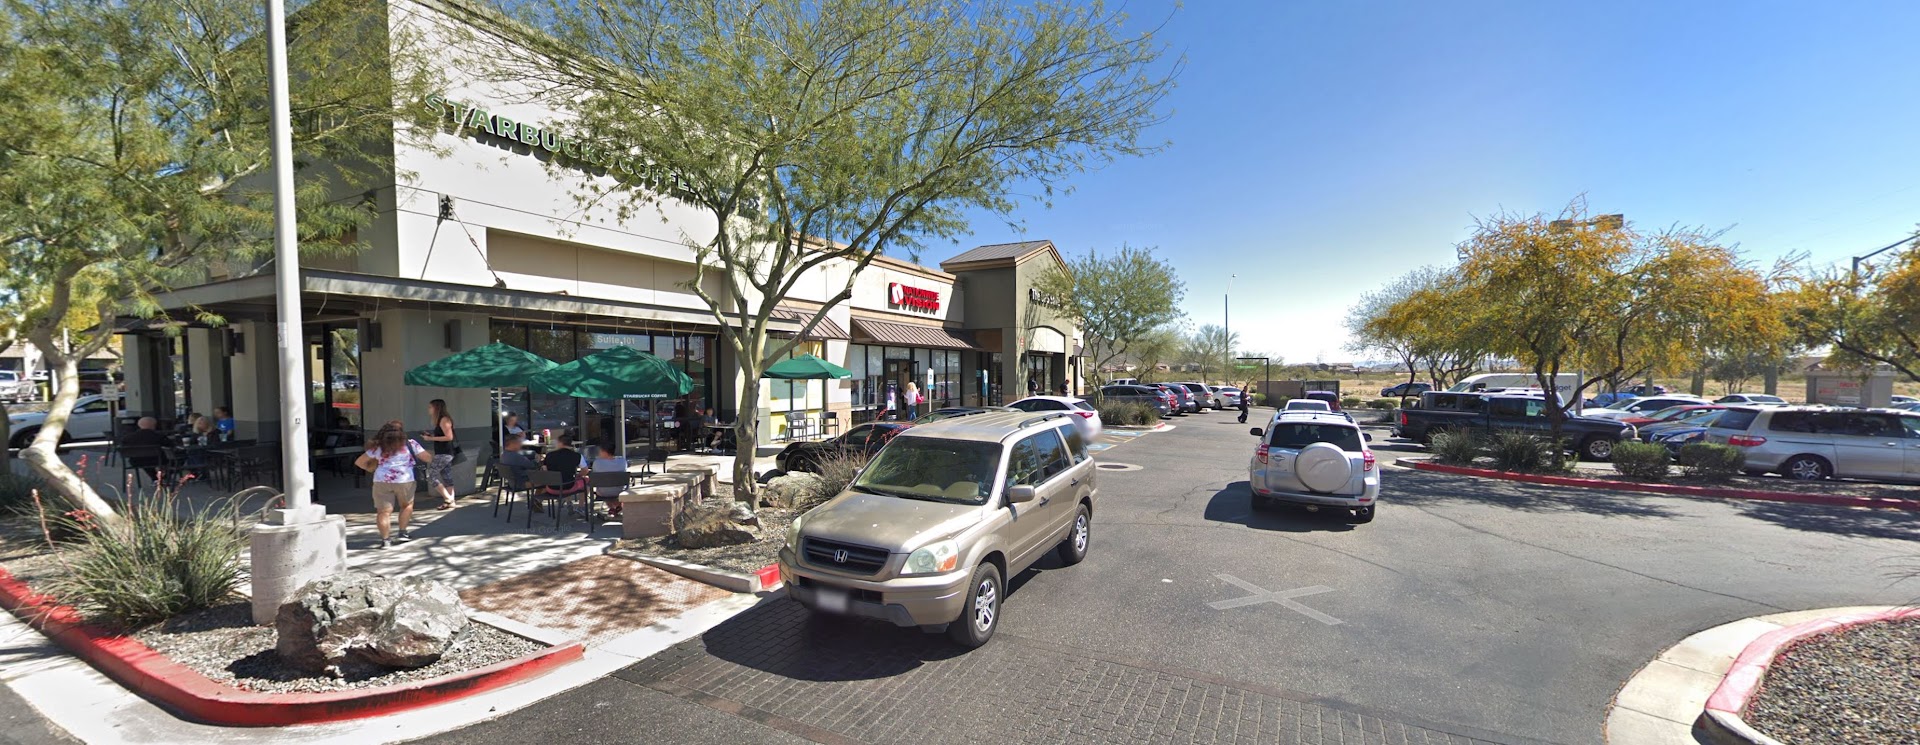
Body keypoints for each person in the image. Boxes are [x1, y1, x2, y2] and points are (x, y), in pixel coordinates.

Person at [355, 420, 432, 549]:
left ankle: (385, 540)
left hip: (381, 480)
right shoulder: (410, 444)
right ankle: (402, 533)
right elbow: (427, 458)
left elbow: (359, 462)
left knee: (383, 512)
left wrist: (372, 469)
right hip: (405, 480)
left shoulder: (378, 447)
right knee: (406, 506)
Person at [419, 399, 459, 510]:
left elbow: (449, 437)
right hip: (443, 452)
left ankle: (448, 498)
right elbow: (443, 435)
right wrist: (432, 436)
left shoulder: (444, 419)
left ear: (436, 408)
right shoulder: (441, 420)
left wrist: (431, 438)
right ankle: (451, 501)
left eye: (430, 407)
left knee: (431, 475)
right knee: (447, 477)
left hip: (444, 453)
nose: (428, 409)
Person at [120, 416, 171, 481]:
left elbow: (122, 448)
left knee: (145, 460)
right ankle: (164, 477)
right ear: (154, 425)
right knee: (176, 459)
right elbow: (170, 445)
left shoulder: (128, 438)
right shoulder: (158, 436)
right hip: (157, 460)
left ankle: (156, 478)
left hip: (136, 461)